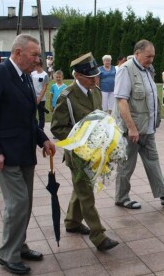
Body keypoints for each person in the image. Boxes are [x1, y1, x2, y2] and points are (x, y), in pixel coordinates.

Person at [0, 34, 55, 275]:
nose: (37, 59)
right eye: (34, 55)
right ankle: (7, 254)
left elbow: (27, 118)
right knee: (17, 203)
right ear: (18, 53)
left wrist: (42, 138)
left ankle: (19, 245)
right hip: (6, 154)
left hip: (24, 151)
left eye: (38, 55)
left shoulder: (26, 78)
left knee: (26, 202)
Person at [51, 52, 119, 252]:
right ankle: (98, 235)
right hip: (78, 155)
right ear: (78, 75)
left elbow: (99, 118)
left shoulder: (96, 92)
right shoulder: (67, 97)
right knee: (87, 194)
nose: (95, 79)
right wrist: (79, 140)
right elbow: (57, 128)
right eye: (90, 77)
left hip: (96, 152)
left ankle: (72, 222)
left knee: (81, 188)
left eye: (96, 76)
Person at [114, 39, 164, 210]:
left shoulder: (148, 70)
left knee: (153, 161)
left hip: (148, 128)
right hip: (132, 130)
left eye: (153, 57)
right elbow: (122, 101)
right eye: (149, 56)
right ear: (137, 53)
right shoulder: (126, 70)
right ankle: (121, 197)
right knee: (127, 165)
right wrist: (132, 128)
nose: (151, 60)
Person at [31, 61, 49, 129]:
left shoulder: (45, 75)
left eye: (36, 65)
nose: (35, 67)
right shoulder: (32, 73)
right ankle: (34, 127)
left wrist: (39, 98)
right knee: (33, 114)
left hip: (41, 98)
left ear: (40, 65)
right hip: (33, 97)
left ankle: (41, 129)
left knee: (41, 115)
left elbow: (44, 88)